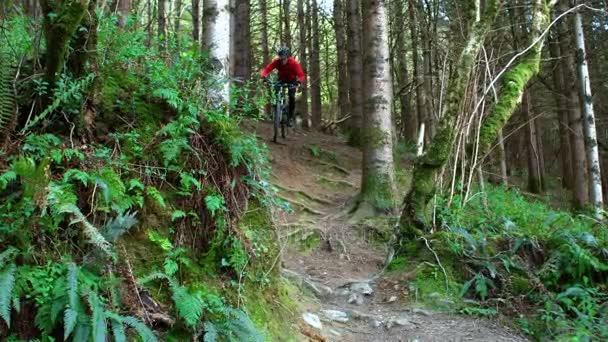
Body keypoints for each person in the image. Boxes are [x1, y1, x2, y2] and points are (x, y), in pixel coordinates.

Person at [261, 47, 306, 127]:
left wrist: (298, 82)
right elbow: (267, 69)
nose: (282, 60)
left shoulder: (293, 63)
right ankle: (275, 110)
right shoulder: (277, 62)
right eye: (281, 58)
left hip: (292, 81)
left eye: (284, 58)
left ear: (287, 57)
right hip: (281, 79)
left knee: (291, 97)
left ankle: (290, 118)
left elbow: (301, 75)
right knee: (274, 90)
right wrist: (264, 77)